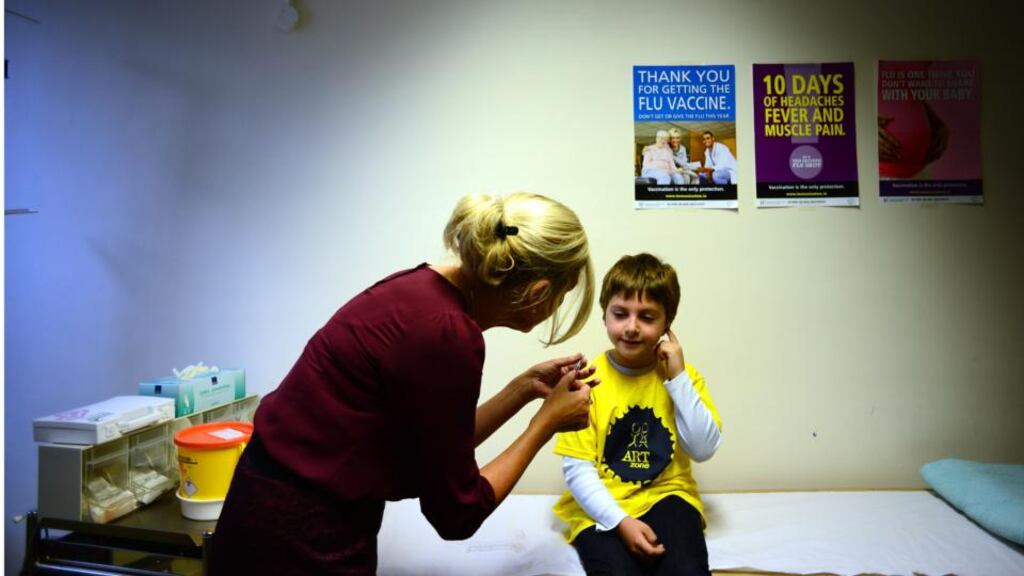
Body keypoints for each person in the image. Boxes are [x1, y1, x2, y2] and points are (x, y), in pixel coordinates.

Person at [210, 192, 599, 575]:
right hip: (299, 539)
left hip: (262, 513)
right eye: (561, 297)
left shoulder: (419, 288)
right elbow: (458, 514)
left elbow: (436, 455)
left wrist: (523, 389)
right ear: (538, 292)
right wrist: (545, 424)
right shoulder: (447, 334)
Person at [552, 253, 722, 576]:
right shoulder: (585, 381)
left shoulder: (683, 377)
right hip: (600, 503)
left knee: (688, 570)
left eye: (646, 317)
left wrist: (678, 379)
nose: (631, 327)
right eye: (620, 314)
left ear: (666, 325)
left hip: (668, 494)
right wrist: (621, 522)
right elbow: (577, 470)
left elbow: (702, 449)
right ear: (605, 316)